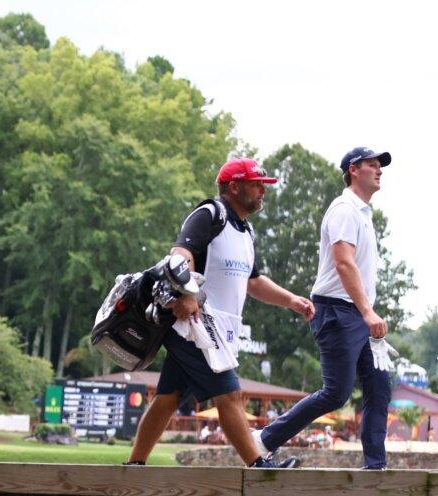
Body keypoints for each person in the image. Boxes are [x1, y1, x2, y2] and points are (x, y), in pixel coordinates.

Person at [125, 158, 315, 468]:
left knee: (168, 398)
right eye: (256, 185)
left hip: (221, 331)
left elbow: (253, 281)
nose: (262, 192)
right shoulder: (209, 214)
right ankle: (258, 466)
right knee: (230, 395)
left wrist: (291, 300)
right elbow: (179, 255)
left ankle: (134, 466)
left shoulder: (245, 231)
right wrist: (187, 294)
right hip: (197, 326)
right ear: (234, 186)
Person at [254, 147, 394, 469]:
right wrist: (368, 312)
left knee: (379, 387)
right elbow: (344, 264)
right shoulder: (344, 209)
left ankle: (376, 467)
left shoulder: (362, 214)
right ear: (353, 170)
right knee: (336, 393)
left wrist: (366, 312)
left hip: (357, 313)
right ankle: (263, 441)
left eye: (380, 166)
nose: (380, 170)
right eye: (373, 165)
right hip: (337, 311)